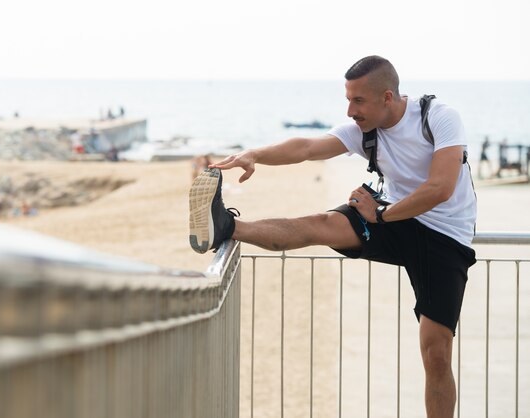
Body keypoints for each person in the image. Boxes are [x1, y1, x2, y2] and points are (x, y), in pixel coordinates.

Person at [188, 55, 476, 418]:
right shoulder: (364, 130)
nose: (350, 110)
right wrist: (253, 154)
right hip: (392, 218)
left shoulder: (439, 117)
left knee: (436, 355)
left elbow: (441, 187)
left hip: (445, 236)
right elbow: (306, 148)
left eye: (358, 100)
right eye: (348, 99)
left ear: (387, 97)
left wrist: (381, 213)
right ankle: (227, 227)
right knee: (322, 224)